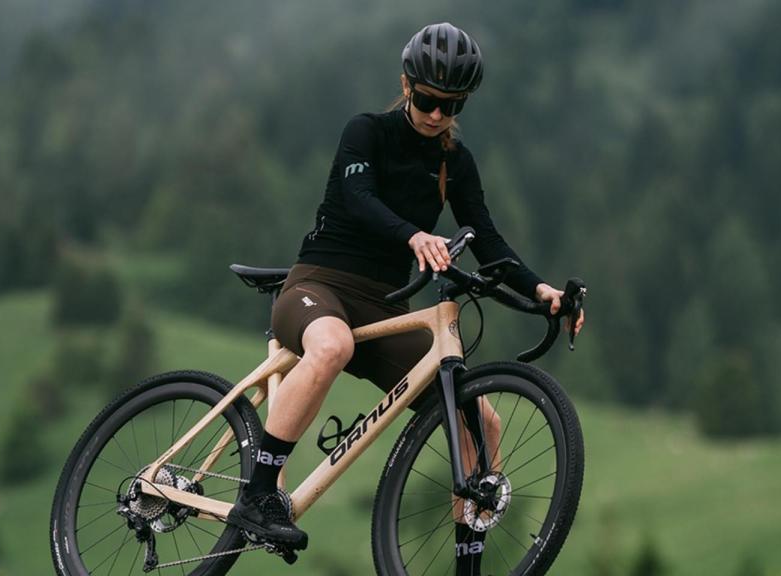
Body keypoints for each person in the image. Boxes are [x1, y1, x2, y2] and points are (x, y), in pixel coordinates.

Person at [226, 22, 585, 572]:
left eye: (451, 105)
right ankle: (256, 494)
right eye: (426, 100)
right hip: (319, 284)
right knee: (330, 347)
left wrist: (542, 291)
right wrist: (414, 235)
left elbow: (486, 238)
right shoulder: (366, 132)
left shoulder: (454, 163)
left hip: (385, 303)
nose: (437, 114)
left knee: (481, 422)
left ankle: (469, 563)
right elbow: (359, 196)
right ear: (406, 84)